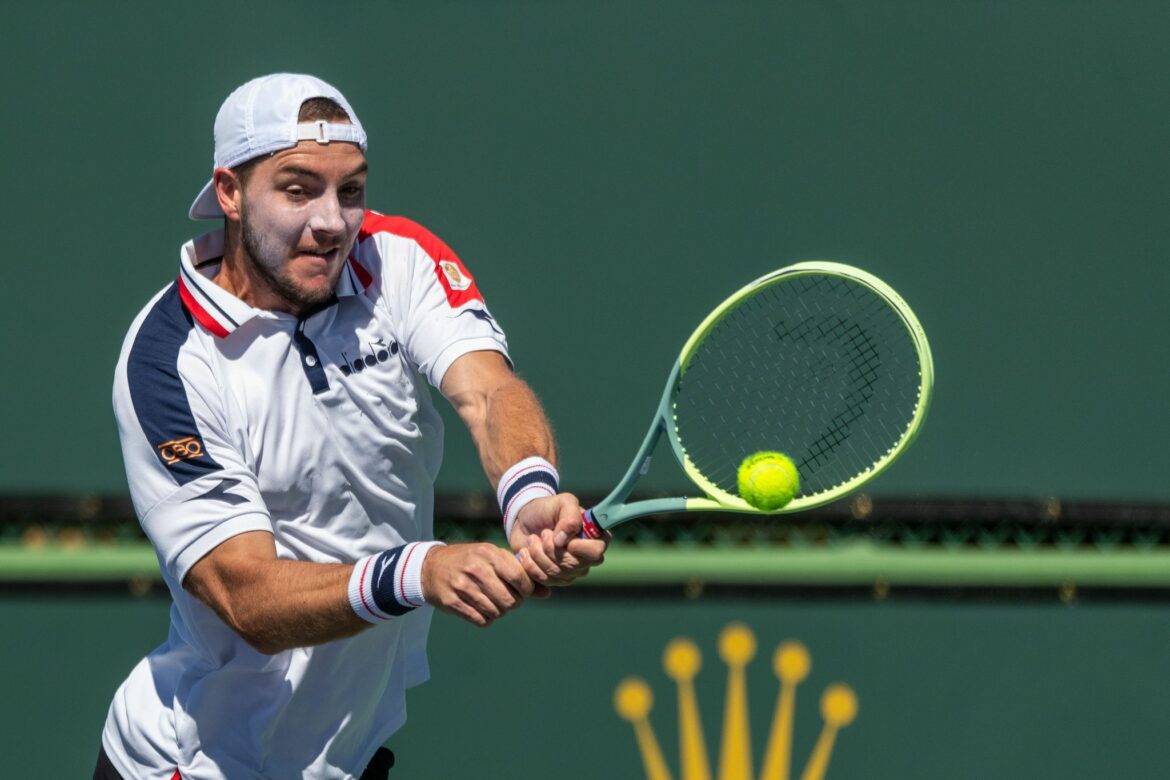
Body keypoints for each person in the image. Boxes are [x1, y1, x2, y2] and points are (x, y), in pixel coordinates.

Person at [96, 73, 607, 780]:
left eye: (352, 190)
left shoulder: (398, 257)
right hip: (194, 764)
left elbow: (489, 391)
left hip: (347, 755)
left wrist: (530, 495)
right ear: (230, 193)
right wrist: (417, 571)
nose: (333, 221)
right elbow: (246, 594)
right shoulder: (167, 363)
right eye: (298, 190)